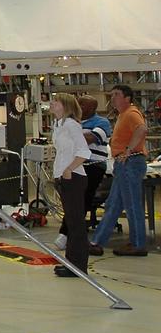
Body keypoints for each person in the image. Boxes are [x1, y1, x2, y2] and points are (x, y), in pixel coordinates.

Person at [89, 85, 149, 257]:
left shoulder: (131, 113)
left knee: (131, 205)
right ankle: (97, 242)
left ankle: (138, 244)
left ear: (127, 98)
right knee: (114, 204)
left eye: (117, 94)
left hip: (130, 162)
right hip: (124, 164)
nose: (112, 97)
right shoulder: (124, 115)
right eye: (112, 94)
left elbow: (142, 129)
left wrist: (128, 150)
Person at [55, 96, 110, 250]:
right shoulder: (71, 123)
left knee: (81, 200)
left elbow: (91, 139)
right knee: (71, 201)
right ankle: (69, 234)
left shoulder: (101, 122)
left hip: (92, 165)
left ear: (92, 108)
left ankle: (67, 235)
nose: (79, 106)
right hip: (72, 166)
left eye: (83, 104)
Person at [49, 94, 92, 277]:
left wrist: (69, 169)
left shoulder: (71, 125)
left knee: (76, 223)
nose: (51, 104)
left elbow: (84, 151)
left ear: (65, 106)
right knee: (71, 222)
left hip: (73, 177)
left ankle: (78, 265)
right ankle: (71, 262)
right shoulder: (58, 125)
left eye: (56, 101)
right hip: (63, 178)